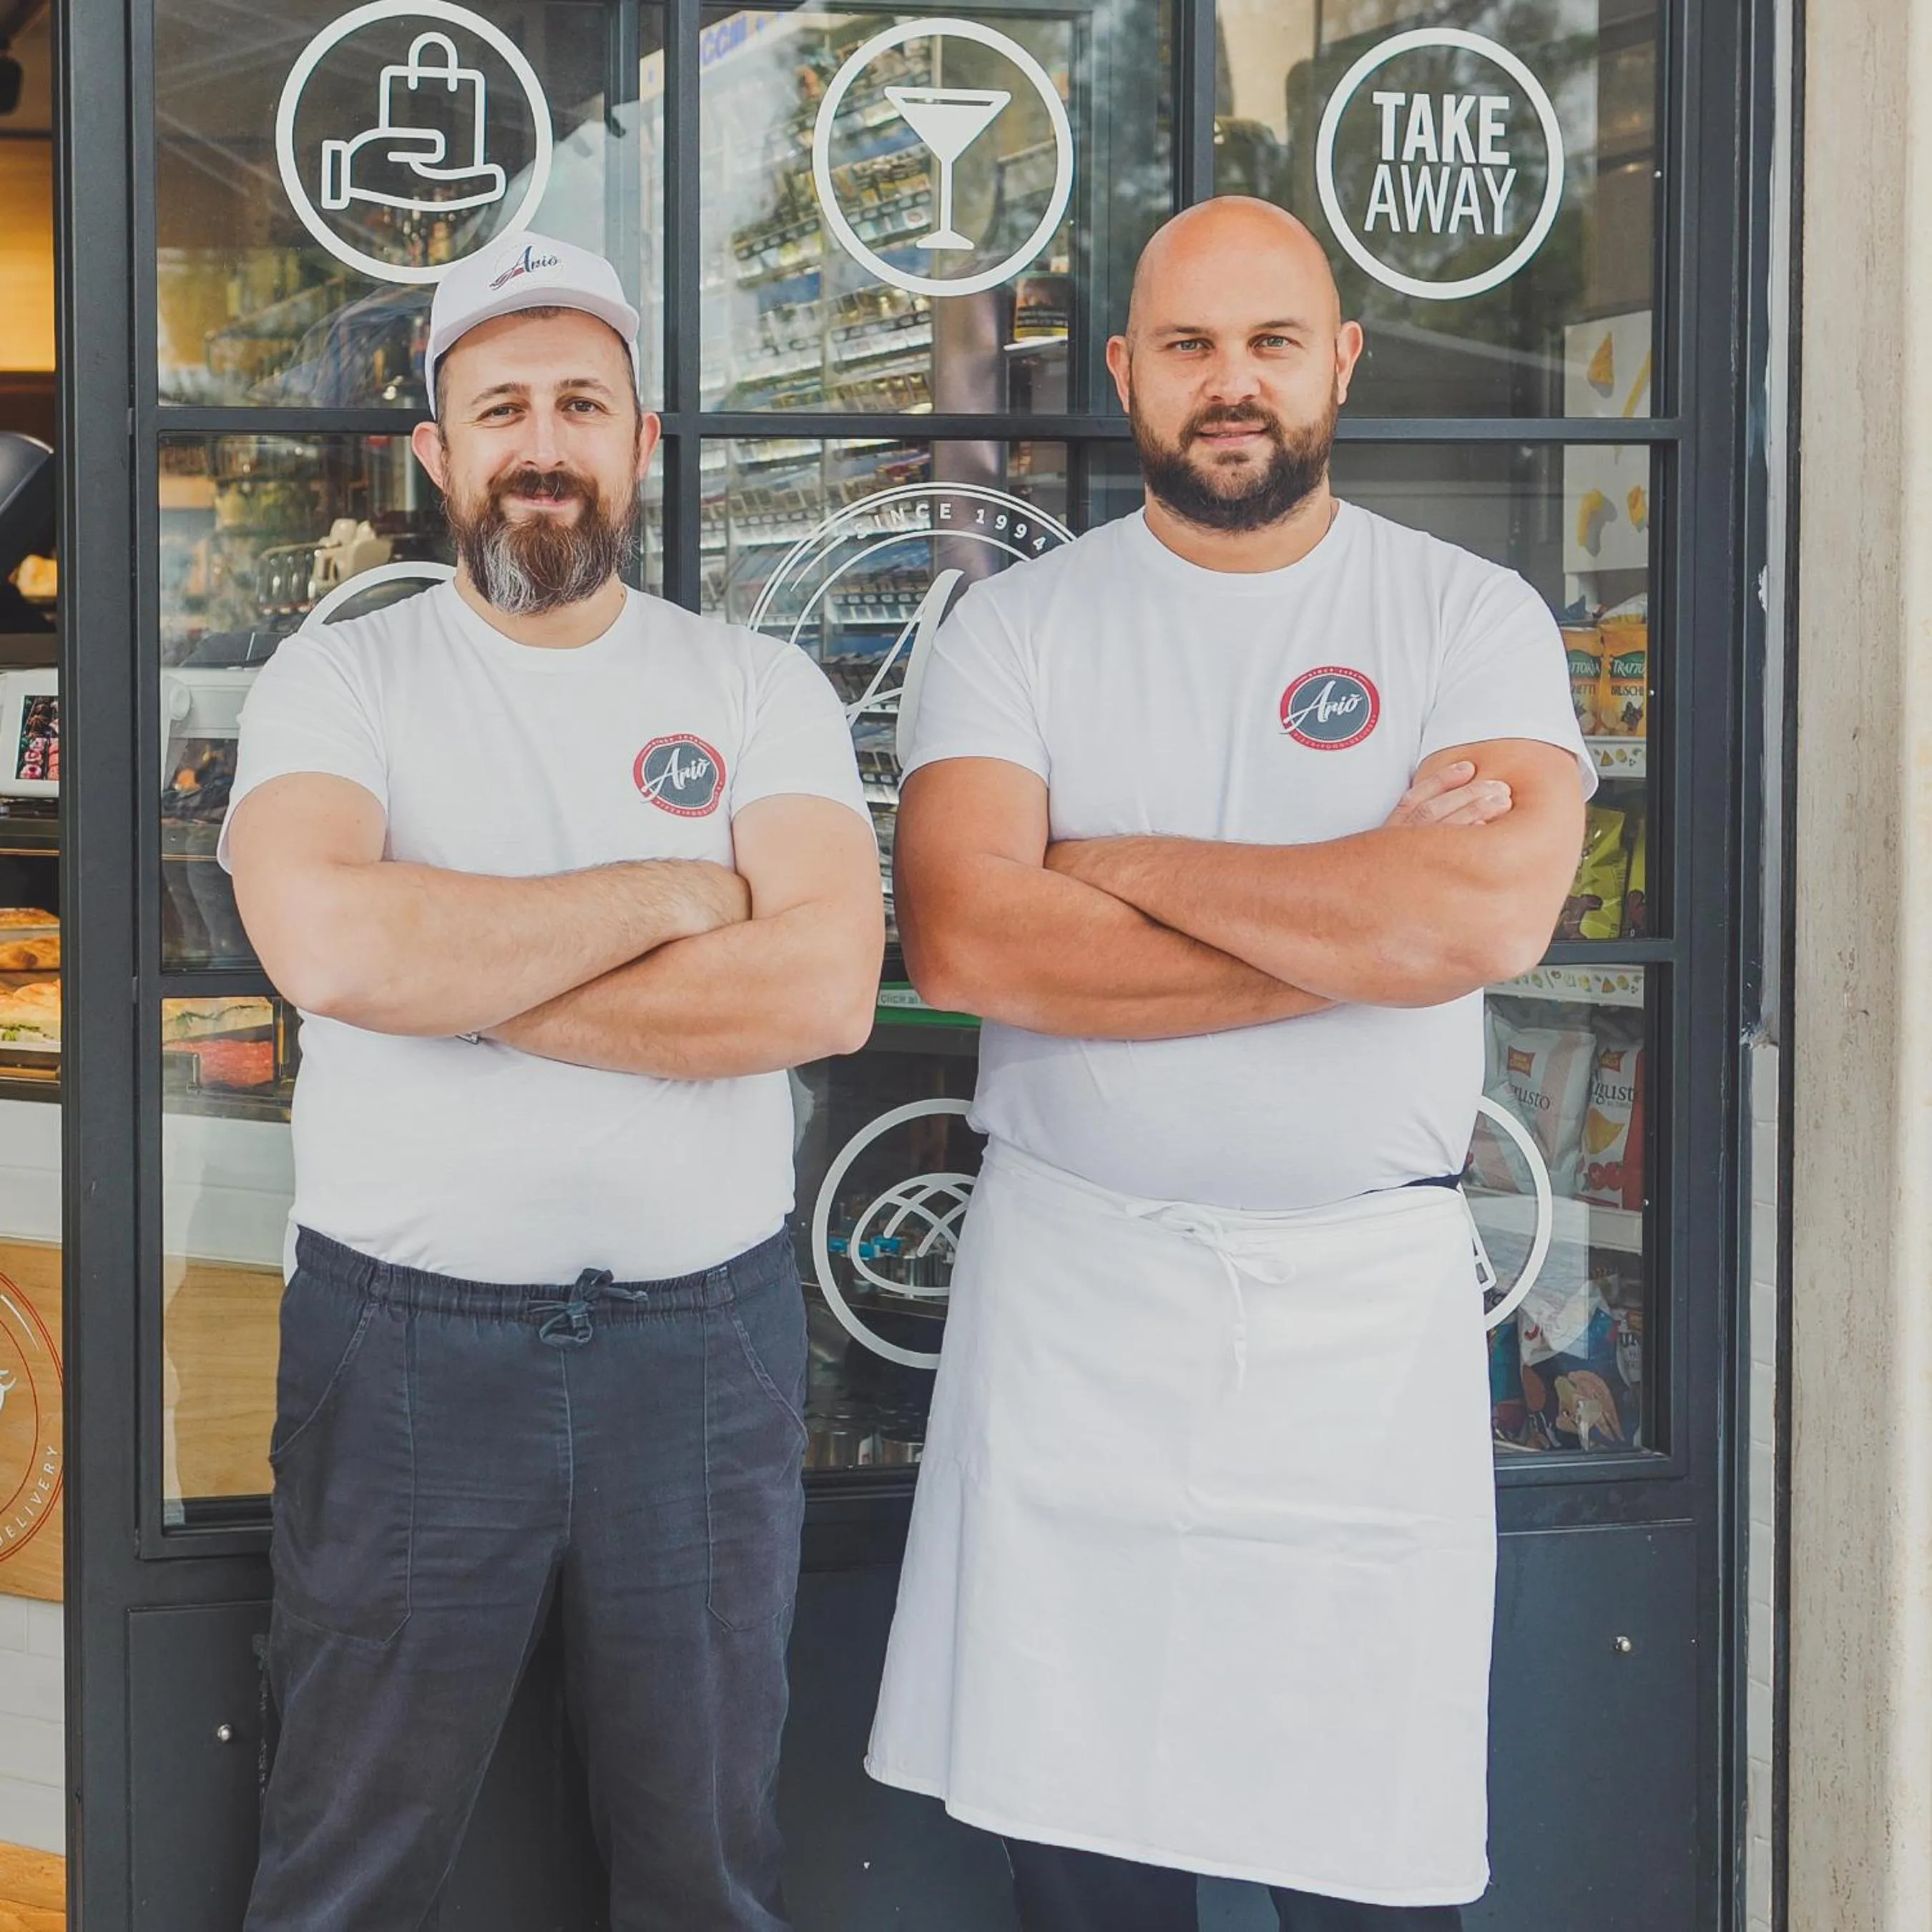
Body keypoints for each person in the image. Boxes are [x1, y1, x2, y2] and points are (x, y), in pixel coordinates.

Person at [866, 197, 1594, 1931]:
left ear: (1343, 361)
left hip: (1362, 1336)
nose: (1234, 382)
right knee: (1084, 1876)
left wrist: (1110, 865)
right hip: (1078, 1321)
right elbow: (970, 942)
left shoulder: (1466, 617)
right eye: (1191, 346)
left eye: (1273, 342)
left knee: (1372, 1878)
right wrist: (1357, 925)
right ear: (1126, 372)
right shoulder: (1017, 631)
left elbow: (1484, 916)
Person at [223, 232, 883, 1932]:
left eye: (581, 403)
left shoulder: (755, 687)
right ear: (435, 453)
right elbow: (332, 947)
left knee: (705, 1867)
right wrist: (675, 897)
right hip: (405, 1350)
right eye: (500, 405)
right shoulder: (343, 679)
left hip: (705, 1351)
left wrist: (460, 971)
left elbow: (822, 984)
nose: (542, 442)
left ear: (642, 440)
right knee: (347, 1866)